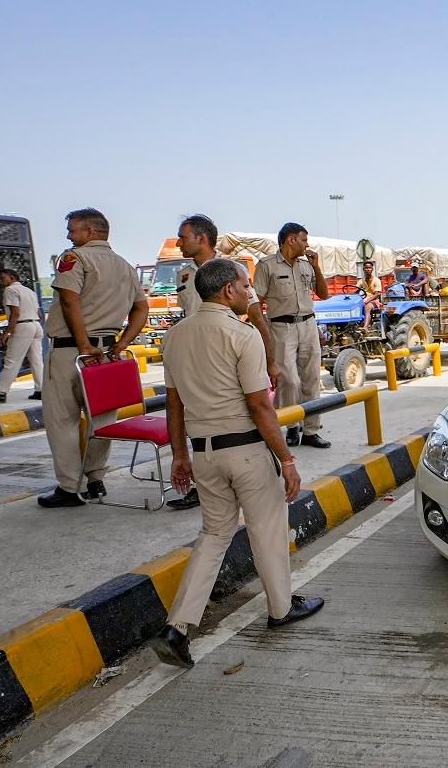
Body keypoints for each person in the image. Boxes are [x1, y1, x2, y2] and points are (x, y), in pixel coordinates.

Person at [149, 259, 323, 668]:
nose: (251, 293)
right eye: (246, 286)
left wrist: (179, 455)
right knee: (267, 529)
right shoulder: (242, 335)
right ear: (228, 290)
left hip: (204, 454)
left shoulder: (175, 337)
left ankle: (177, 627)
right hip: (246, 451)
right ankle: (281, 608)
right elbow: (260, 406)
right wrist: (287, 458)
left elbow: (173, 405)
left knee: (213, 534)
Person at [38, 208, 149, 508]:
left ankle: (68, 487)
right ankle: (96, 478)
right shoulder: (125, 266)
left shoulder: (75, 258)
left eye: (73, 230)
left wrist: (84, 343)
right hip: (107, 354)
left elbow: (68, 299)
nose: (68, 236)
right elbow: (142, 309)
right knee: (101, 419)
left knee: (62, 420)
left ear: (89, 233)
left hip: (71, 352)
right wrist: (123, 343)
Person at [169, 215, 278, 510]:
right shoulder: (183, 274)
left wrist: (270, 361)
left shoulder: (234, 272)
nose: (179, 242)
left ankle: (239, 476)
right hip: (194, 352)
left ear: (201, 238)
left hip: (227, 352)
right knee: (197, 414)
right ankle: (199, 478)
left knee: (235, 413)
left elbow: (256, 317)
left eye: (183, 237)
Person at [254, 222, 331, 448]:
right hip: (280, 328)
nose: (307, 245)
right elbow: (256, 301)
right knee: (288, 380)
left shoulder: (307, 266)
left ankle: (311, 430)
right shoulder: (267, 265)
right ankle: (292, 425)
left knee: (311, 379)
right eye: (304, 240)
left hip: (307, 325)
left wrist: (317, 267)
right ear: (291, 240)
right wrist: (262, 331)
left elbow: (323, 294)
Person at [0, 269, 45, 403]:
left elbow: (15, 314)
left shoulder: (10, 291)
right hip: (36, 325)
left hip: (22, 326)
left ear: (12, 278)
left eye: (2, 278)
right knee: (36, 360)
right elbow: (39, 314)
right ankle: (41, 391)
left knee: (12, 360)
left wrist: (6, 333)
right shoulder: (30, 292)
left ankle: (1, 392)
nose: (0, 281)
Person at [358, 260, 382, 329]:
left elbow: (377, 294)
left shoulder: (376, 280)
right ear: (363, 269)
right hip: (363, 299)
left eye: (369, 268)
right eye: (366, 268)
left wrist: (368, 300)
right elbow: (356, 289)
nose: (368, 269)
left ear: (372, 269)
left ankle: (365, 327)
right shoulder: (361, 281)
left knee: (367, 307)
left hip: (373, 300)